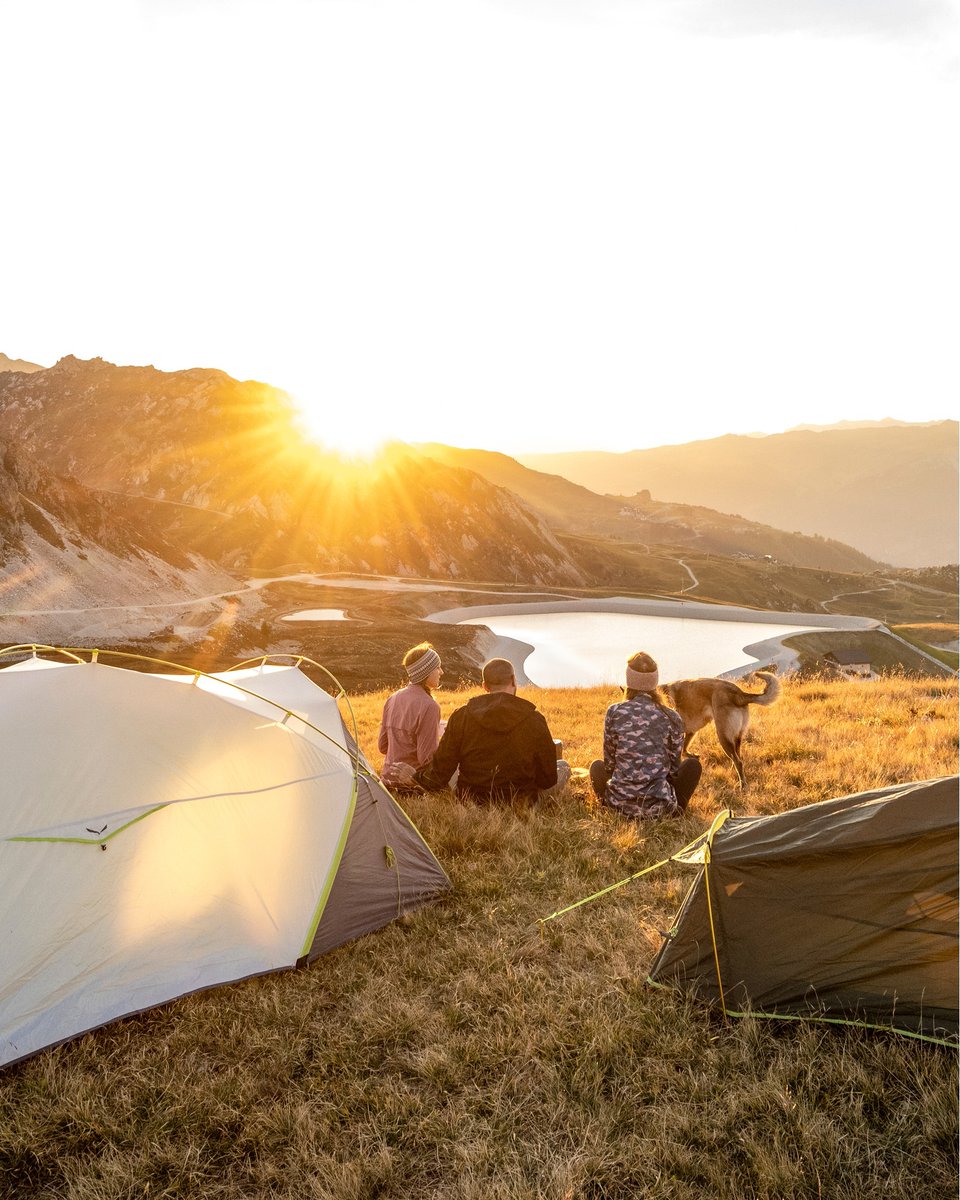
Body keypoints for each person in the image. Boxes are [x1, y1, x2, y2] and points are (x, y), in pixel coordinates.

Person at [396, 657, 570, 802]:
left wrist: (414, 777)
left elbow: (440, 773)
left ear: (485, 686)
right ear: (513, 681)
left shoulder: (461, 716)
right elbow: (548, 780)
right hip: (520, 801)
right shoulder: (535, 719)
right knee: (563, 767)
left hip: (471, 800)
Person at [589, 651, 701, 819]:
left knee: (596, 767)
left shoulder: (614, 712)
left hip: (619, 805)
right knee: (693, 766)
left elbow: (609, 764)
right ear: (654, 681)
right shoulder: (672, 717)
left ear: (629, 681)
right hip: (661, 807)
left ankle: (609, 803)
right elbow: (674, 768)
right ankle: (675, 810)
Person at [377, 642, 444, 789]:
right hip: (411, 785)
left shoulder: (392, 698)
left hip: (387, 782)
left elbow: (382, 747)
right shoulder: (429, 706)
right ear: (426, 672)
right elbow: (427, 759)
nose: (441, 672)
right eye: (437, 667)